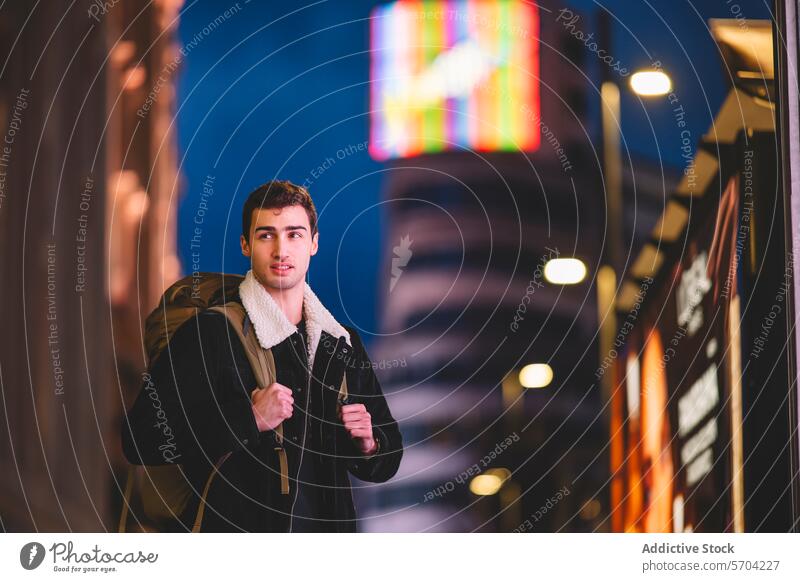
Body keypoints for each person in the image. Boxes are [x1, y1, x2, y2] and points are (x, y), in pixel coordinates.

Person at [121, 180, 403, 532]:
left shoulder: (341, 344)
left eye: (295, 235)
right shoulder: (213, 332)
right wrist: (247, 420)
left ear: (314, 243)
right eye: (266, 235)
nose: (281, 250)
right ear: (245, 245)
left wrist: (370, 443)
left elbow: (389, 458)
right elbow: (141, 438)